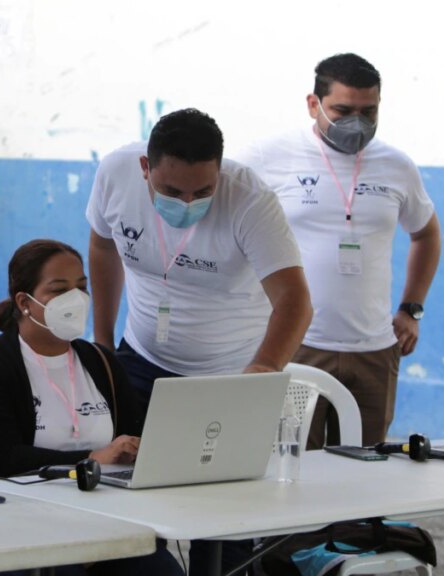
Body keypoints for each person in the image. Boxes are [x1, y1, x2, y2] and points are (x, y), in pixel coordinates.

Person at [86, 108, 312, 575]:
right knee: (128, 509)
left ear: (220, 172)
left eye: (203, 191)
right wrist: (103, 342)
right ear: (146, 169)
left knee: (226, 521)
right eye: (171, 191)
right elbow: (103, 247)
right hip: (140, 361)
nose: (188, 202)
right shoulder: (115, 174)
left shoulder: (250, 199)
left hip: (227, 377)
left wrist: (264, 370)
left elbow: (295, 300)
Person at [235, 53, 441, 448]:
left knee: (365, 476)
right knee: (293, 467)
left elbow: (426, 234)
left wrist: (411, 309)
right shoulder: (268, 157)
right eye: (343, 110)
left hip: (375, 350)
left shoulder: (396, 166)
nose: (357, 123)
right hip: (298, 346)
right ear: (314, 105)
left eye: (369, 111)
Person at [0, 239, 182, 576]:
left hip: (108, 523)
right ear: (24, 302)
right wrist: (86, 461)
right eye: (59, 289)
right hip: (18, 529)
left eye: (81, 287)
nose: (75, 299)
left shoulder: (101, 362)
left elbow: (134, 436)